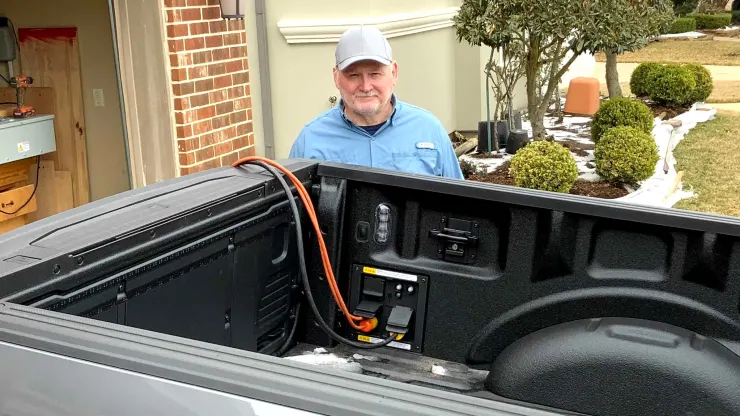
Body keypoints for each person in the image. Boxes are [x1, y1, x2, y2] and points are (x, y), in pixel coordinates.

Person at [288, 25, 464, 180]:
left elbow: (460, 206)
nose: (365, 86)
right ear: (336, 77)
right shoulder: (310, 141)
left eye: (375, 74)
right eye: (353, 75)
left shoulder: (429, 130)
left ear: (394, 72)